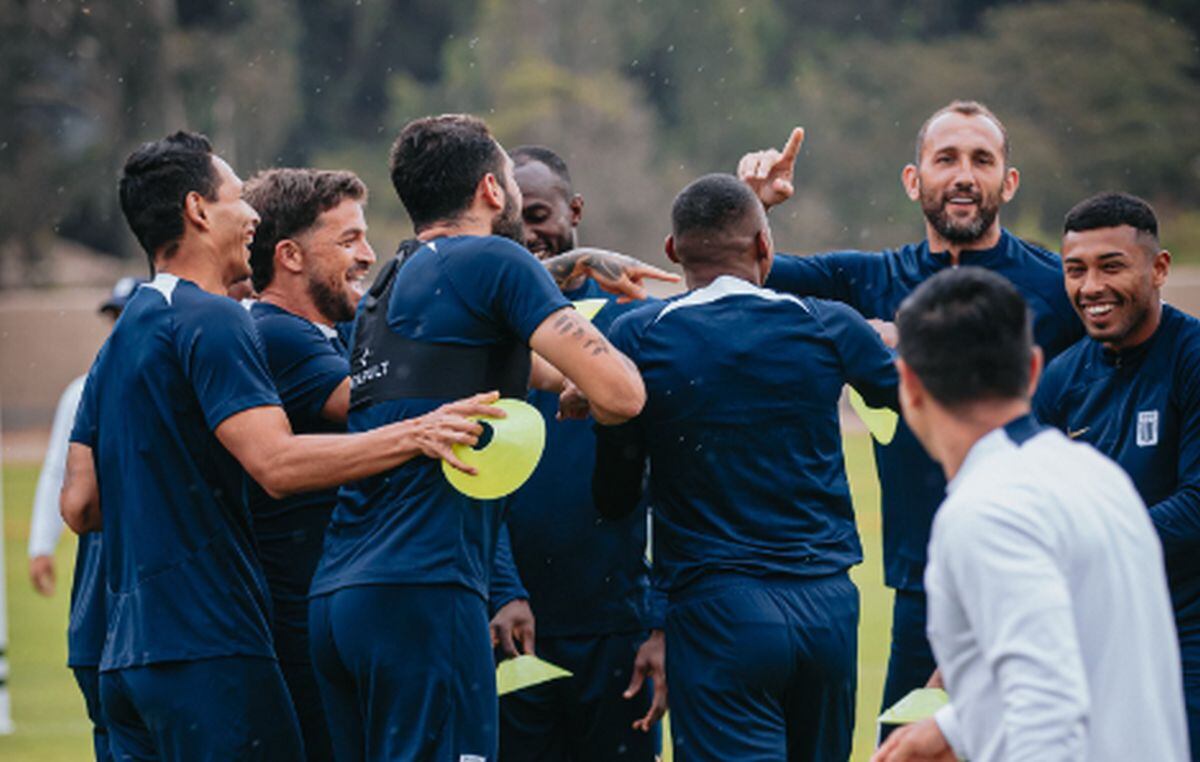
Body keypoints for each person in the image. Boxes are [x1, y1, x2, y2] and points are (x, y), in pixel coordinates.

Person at [59, 130, 502, 761]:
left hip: (126, 660)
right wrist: (417, 434)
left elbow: (80, 505)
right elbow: (276, 464)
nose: (252, 217)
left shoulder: (122, 334)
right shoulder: (214, 319)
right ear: (197, 210)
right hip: (212, 646)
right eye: (239, 198)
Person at [306, 114, 647, 761]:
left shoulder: (388, 281)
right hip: (425, 593)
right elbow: (622, 393)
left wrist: (569, 385)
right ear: (493, 191)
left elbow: (535, 370)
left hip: (341, 600)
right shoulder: (497, 259)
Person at [737, 100, 1082, 711]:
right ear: (913, 179)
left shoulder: (1058, 288)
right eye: (945, 158)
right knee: (903, 749)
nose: (963, 175)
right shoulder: (865, 280)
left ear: (1009, 181)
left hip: (1031, 572)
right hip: (920, 580)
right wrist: (752, 208)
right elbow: (741, 273)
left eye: (982, 159)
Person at [590, 173, 897, 760]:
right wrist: (890, 340)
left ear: (673, 252)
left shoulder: (637, 336)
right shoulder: (828, 323)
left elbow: (615, 498)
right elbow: (917, 396)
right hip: (827, 605)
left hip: (720, 611)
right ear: (764, 247)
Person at [874, 266, 1188, 762]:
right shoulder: (1100, 478)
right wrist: (955, 727)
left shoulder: (990, 511)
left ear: (907, 384)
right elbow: (1087, 652)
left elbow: (1047, 716)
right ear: (1035, 370)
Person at [497, 145, 664, 762]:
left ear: (576, 209)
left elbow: (677, 476)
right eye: (513, 222)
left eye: (539, 214)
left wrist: (659, 618)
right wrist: (498, 588)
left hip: (614, 625)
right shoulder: (483, 320)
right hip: (510, 624)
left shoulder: (631, 314)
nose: (529, 235)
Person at [1033, 191, 1200, 756]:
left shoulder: (1192, 359)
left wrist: (1087, 544)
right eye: (1075, 270)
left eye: (1111, 266)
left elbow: (1197, 505)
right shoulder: (1060, 380)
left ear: (1158, 268)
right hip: (1092, 640)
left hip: (1187, 639)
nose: (1090, 287)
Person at [241, 167, 377, 761]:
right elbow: (378, 406)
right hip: (296, 618)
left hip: (332, 607)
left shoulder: (326, 334)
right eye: (347, 241)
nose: (367, 255)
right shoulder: (275, 332)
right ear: (290, 255)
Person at [27, 276, 141, 761]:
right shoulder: (84, 389)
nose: (116, 326)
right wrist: (40, 544)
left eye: (124, 315)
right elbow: (60, 470)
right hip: (102, 571)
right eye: (112, 316)